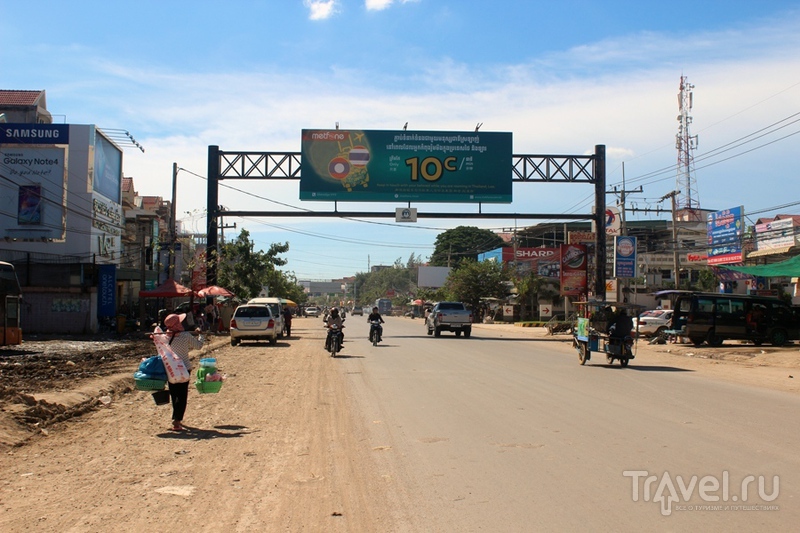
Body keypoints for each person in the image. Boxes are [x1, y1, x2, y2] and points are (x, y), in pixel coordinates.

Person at [158, 313, 204, 431]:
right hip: (184, 369)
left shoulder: (164, 337)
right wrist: (201, 335)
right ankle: (177, 420)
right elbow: (198, 346)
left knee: (174, 394)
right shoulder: (185, 335)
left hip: (171, 370)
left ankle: (176, 417)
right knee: (182, 395)